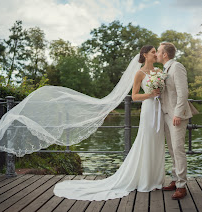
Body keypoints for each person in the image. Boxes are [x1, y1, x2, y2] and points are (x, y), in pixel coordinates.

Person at [53, 45, 166, 201]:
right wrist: (150, 94)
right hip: (148, 110)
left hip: (159, 110)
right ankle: (145, 180)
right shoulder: (139, 73)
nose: (156, 54)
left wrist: (159, 94)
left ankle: (156, 180)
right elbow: (134, 96)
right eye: (153, 52)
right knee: (146, 142)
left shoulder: (159, 72)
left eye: (156, 52)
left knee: (158, 142)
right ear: (145, 55)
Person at [156, 42, 198, 200]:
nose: (157, 54)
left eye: (159, 51)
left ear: (165, 54)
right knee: (172, 150)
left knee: (178, 149)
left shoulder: (177, 67)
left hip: (176, 116)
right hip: (166, 114)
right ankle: (175, 179)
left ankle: (181, 186)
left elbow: (183, 92)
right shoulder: (164, 69)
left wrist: (178, 114)